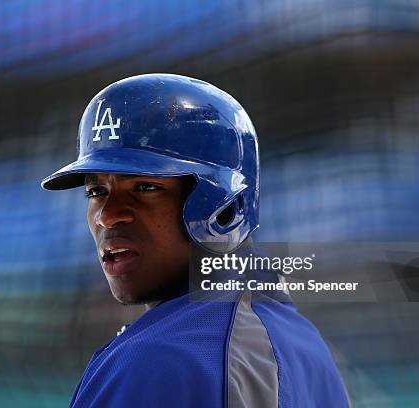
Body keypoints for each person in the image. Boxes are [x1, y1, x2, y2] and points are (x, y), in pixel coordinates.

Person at [41, 74, 350, 407]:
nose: (106, 215)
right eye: (96, 191)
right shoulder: (304, 344)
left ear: (224, 207)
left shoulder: (158, 359)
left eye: (145, 187)